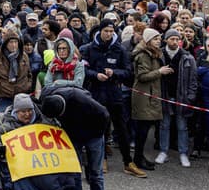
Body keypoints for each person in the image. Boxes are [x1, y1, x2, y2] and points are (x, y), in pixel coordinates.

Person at [81, 20, 140, 177]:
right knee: (100, 129)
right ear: (100, 31)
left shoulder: (119, 50)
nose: (108, 34)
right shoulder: (89, 48)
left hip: (114, 94)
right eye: (106, 31)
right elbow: (83, 70)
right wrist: (95, 75)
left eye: (111, 31)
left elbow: (128, 72)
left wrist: (114, 73)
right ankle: (102, 159)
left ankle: (128, 162)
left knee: (121, 128)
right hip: (96, 93)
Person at [40, 84, 110, 190]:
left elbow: (105, 115)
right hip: (72, 135)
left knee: (96, 174)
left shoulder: (80, 99)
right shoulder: (46, 99)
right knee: (74, 173)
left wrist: (97, 135)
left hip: (94, 133)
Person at [155, 28, 197, 168]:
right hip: (164, 96)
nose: (175, 42)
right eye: (172, 39)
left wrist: (190, 97)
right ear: (166, 40)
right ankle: (163, 151)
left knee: (182, 126)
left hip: (181, 97)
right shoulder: (159, 55)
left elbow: (193, 80)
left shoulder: (187, 57)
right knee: (164, 125)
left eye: (177, 39)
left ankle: (183, 153)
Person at [131, 28, 169, 171]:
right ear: (147, 41)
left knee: (145, 130)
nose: (158, 41)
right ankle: (138, 159)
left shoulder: (154, 54)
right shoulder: (143, 55)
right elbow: (142, 76)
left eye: (159, 39)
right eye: (155, 39)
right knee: (142, 130)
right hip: (143, 96)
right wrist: (159, 71)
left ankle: (140, 157)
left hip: (150, 95)